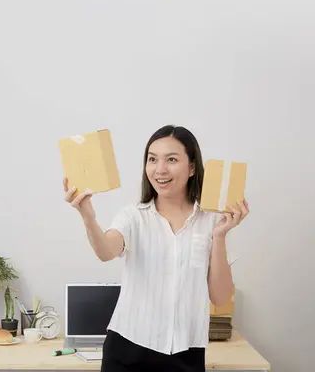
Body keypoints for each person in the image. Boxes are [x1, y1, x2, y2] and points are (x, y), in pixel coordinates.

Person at [63, 124, 249, 372]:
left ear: (192, 167)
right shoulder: (133, 216)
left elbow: (220, 296)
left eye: (171, 159)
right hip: (128, 349)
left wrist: (220, 236)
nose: (160, 169)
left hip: (186, 353)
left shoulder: (214, 221)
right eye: (152, 159)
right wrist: (88, 217)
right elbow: (106, 251)